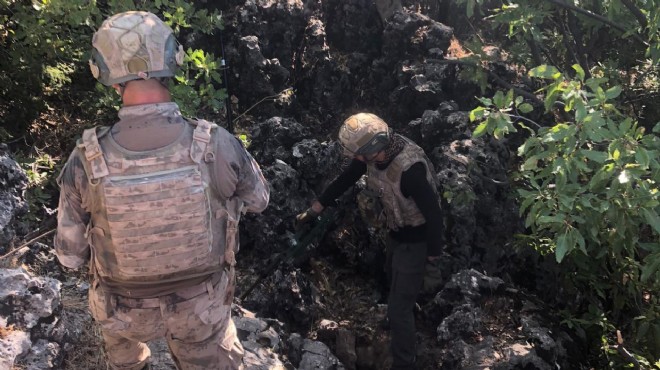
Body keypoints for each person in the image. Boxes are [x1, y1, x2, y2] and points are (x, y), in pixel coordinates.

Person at [55, 11, 269, 370]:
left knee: (123, 355)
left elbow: (70, 256)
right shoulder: (217, 144)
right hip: (200, 309)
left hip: (122, 314)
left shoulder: (86, 159)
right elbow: (259, 200)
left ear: (107, 76)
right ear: (173, 62)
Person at [297, 113, 443, 370]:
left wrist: (433, 260)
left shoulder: (410, 171)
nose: (355, 158)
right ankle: (402, 312)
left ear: (371, 150)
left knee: (399, 309)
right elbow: (346, 179)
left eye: (357, 153)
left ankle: (405, 361)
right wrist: (315, 209)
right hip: (396, 231)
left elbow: (433, 216)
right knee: (391, 275)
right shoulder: (376, 154)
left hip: (417, 239)